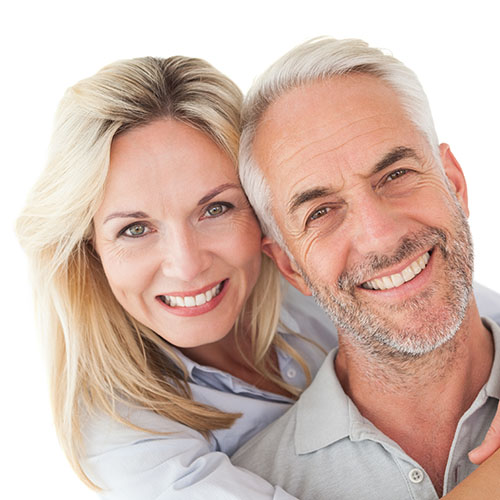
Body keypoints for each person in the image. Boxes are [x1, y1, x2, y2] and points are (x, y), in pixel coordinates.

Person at [16, 52, 499, 500]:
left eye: (216, 207)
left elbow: (452, 301)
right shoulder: (125, 436)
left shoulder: (318, 276)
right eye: (135, 228)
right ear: (90, 251)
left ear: (267, 229)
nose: (186, 264)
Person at [232, 37, 500, 499]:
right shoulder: (249, 485)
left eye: (395, 175)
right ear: (290, 267)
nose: (380, 235)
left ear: (454, 183)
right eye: (320, 212)